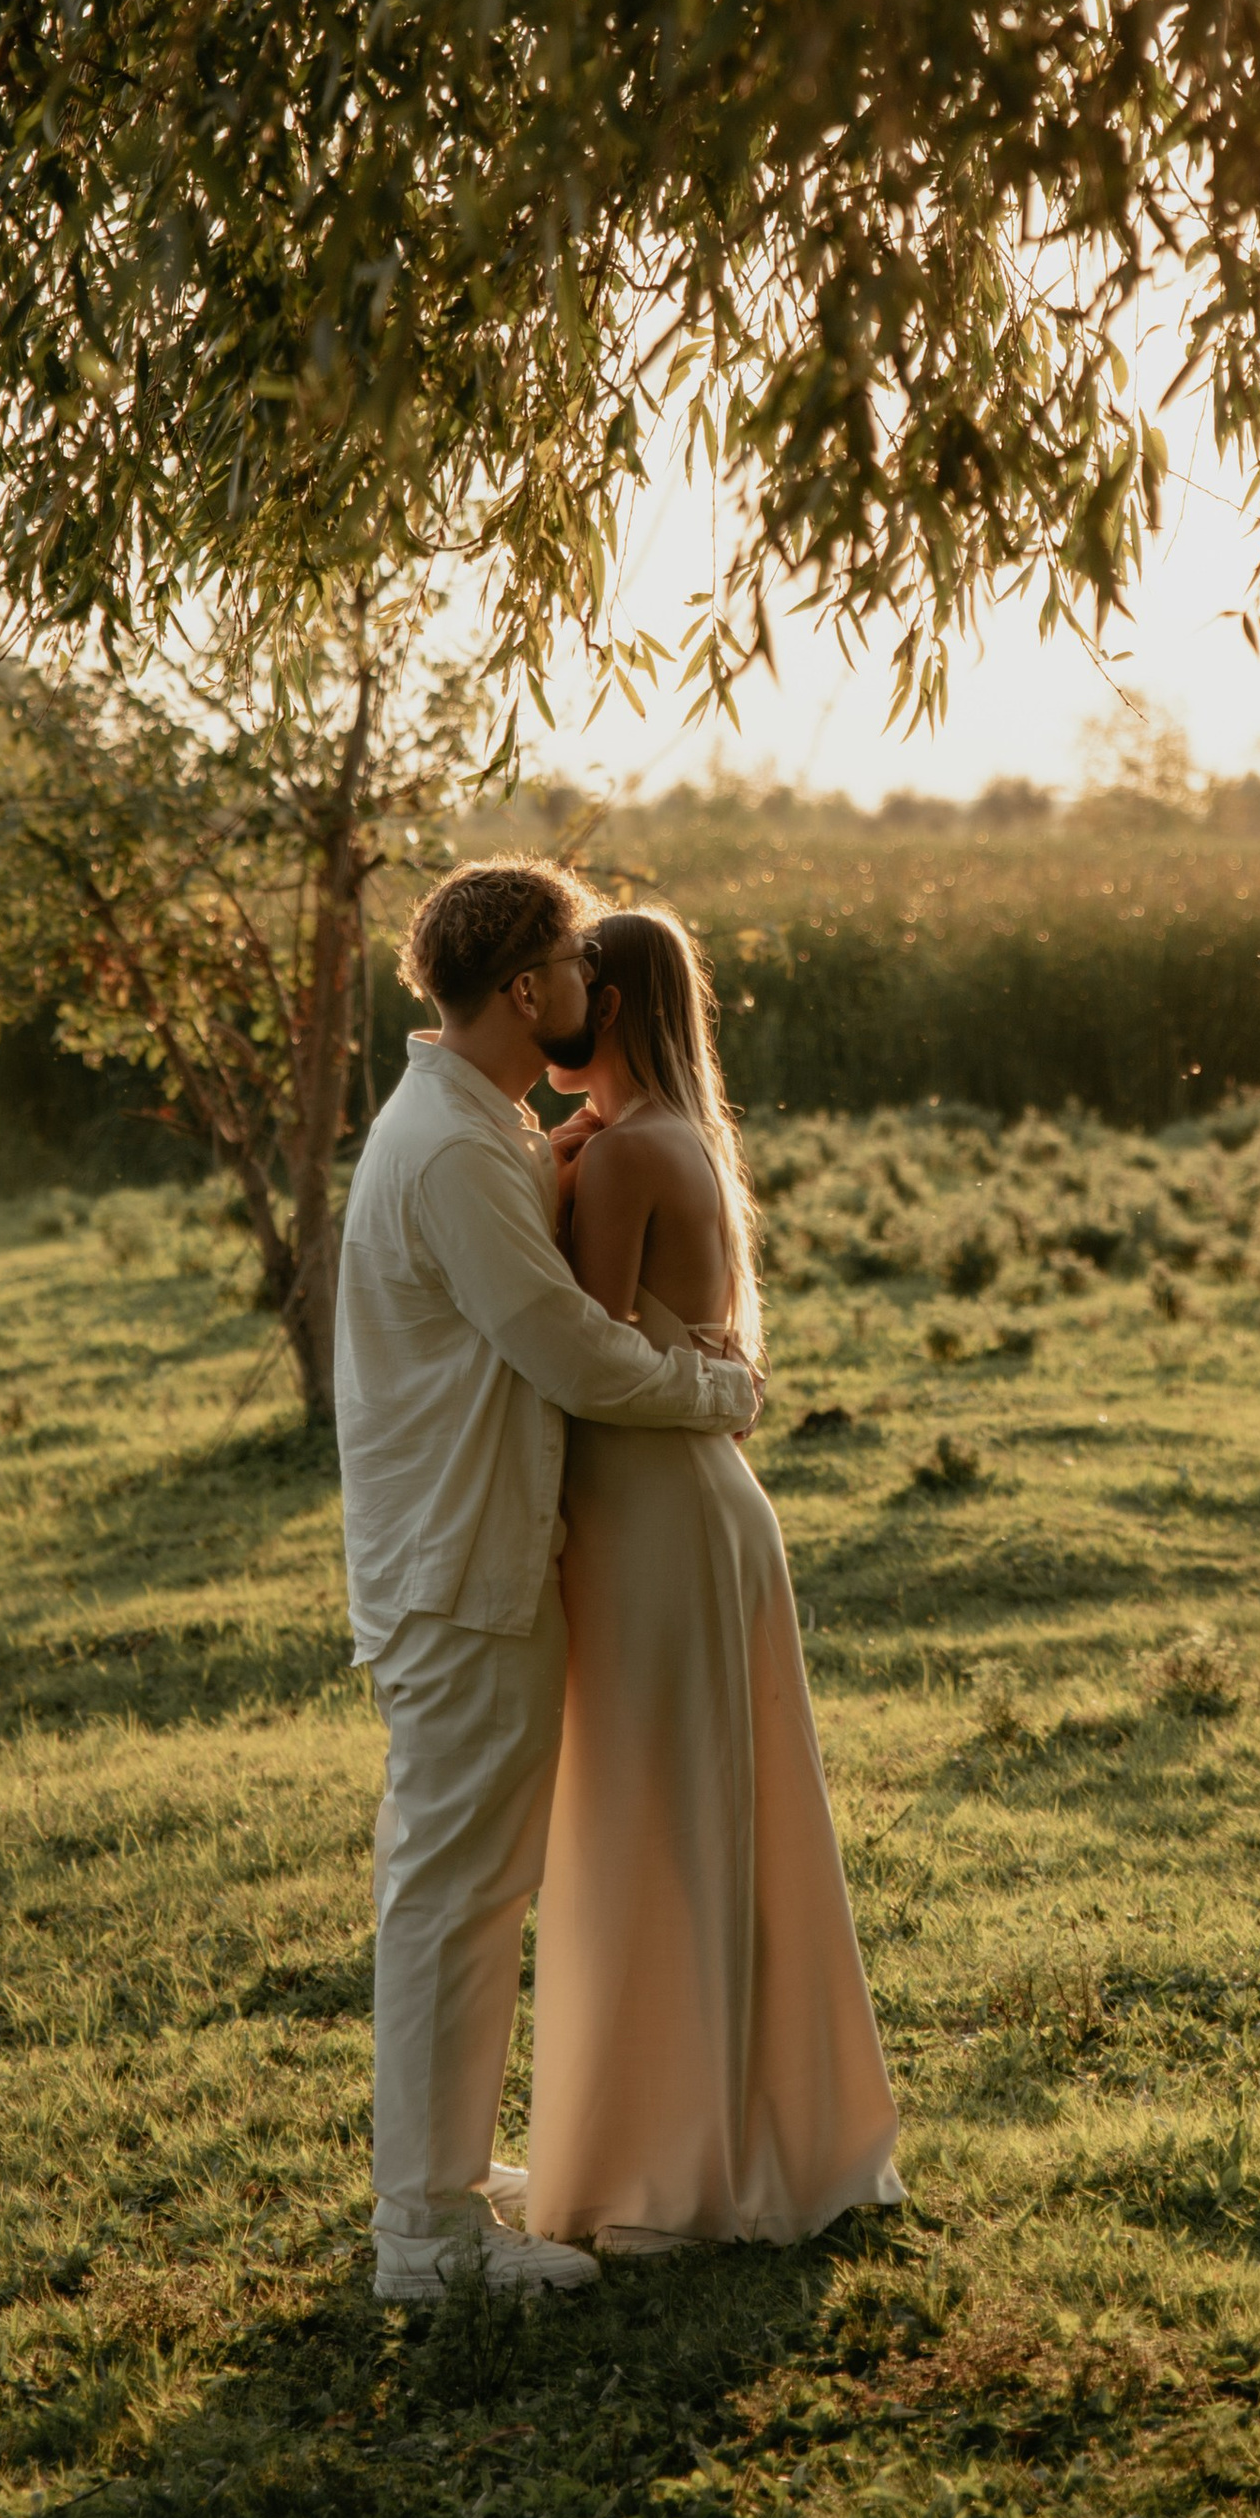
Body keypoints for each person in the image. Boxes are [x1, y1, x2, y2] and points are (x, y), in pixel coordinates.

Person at [336, 859, 761, 2303]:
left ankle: (439, 2184)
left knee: (461, 1885)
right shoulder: (457, 1147)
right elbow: (569, 1354)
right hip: (463, 1567)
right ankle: (430, 2238)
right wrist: (720, 1393)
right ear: (530, 987)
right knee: (456, 1895)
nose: (592, 978)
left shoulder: (476, 1128)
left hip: (468, 1552)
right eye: (576, 954)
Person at [522, 901, 903, 2253]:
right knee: (704, 1821)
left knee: (652, 1826)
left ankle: (668, 2161)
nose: (548, 1011)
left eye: (565, 988)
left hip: (655, 1525)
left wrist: (548, 1188)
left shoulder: (625, 1160)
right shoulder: (682, 1143)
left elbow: (577, 1350)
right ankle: (725, 2130)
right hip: (700, 1514)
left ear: (604, 1005)